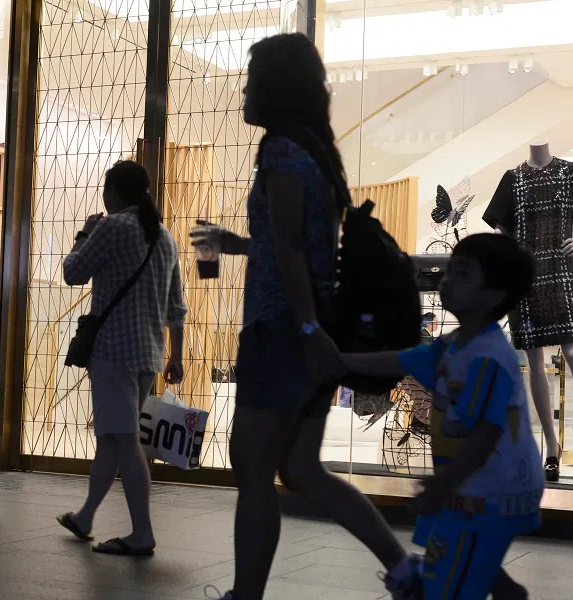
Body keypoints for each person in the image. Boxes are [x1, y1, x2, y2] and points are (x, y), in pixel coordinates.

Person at [192, 34, 422, 600]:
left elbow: (293, 250)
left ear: (276, 86)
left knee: (250, 467)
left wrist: (305, 329)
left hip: (283, 331)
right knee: (299, 468)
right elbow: (292, 243)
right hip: (306, 329)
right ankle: (405, 570)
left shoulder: (280, 149)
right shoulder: (314, 150)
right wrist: (240, 245)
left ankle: (246, 595)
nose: (244, 90)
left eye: (251, 79)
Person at [339, 233, 543, 600]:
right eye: (451, 271)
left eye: (462, 274)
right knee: (469, 556)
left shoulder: (488, 357)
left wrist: (442, 485)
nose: (447, 280)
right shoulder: (452, 345)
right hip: (472, 484)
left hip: (493, 491)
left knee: (450, 575)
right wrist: (339, 362)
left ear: (493, 296)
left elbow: (486, 432)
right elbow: (400, 359)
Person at [56, 161, 187, 556]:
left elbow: (72, 272)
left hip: (113, 353)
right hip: (148, 354)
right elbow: (176, 308)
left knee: (124, 441)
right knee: (111, 442)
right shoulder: (164, 237)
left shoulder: (111, 228)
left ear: (112, 191)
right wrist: (176, 356)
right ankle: (86, 517)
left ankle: (142, 534)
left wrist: (84, 233)